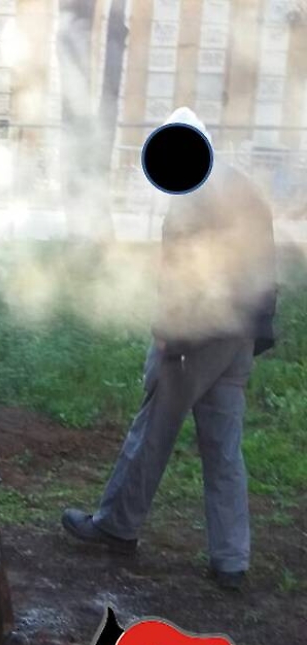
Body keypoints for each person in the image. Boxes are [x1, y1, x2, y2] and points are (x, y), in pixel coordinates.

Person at [62, 108, 278, 590]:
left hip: (196, 338)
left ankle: (116, 527)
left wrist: (168, 336)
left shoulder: (192, 197)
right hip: (239, 337)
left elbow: (185, 276)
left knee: (152, 432)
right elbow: (265, 264)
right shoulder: (243, 186)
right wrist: (257, 327)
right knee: (224, 450)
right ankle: (231, 561)